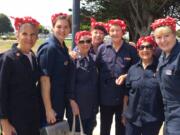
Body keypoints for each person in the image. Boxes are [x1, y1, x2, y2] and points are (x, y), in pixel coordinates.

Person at [96, 19, 139, 135]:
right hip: (105, 97)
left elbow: (137, 69)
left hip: (123, 97)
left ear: (123, 32)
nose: (115, 33)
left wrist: (126, 75)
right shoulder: (102, 49)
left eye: (117, 30)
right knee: (104, 128)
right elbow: (96, 67)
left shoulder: (130, 49)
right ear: (109, 32)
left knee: (121, 129)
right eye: (112, 30)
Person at [0, 16, 40, 135]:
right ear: (17, 35)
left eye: (33, 34)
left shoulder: (32, 56)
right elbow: (1, 91)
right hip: (14, 121)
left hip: (31, 119)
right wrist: (4, 122)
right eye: (25, 34)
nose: (29, 38)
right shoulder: (8, 58)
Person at [124, 36, 164, 135]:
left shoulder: (161, 69)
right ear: (138, 50)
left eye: (148, 47)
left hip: (153, 120)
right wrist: (124, 113)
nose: (145, 50)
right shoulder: (132, 69)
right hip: (132, 119)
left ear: (153, 49)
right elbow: (126, 93)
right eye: (141, 47)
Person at [37, 12, 71, 126]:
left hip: (58, 102)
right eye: (59, 27)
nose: (63, 30)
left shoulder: (62, 47)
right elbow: (44, 80)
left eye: (66, 27)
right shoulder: (49, 48)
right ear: (53, 28)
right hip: (49, 106)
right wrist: (48, 109)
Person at [151, 16, 180, 135]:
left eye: (166, 36)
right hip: (168, 113)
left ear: (174, 35)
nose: (163, 40)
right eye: (158, 37)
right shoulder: (162, 55)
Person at [68, 31, 98, 135]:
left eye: (88, 41)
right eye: (82, 41)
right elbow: (69, 84)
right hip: (78, 106)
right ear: (77, 43)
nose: (85, 44)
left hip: (91, 107)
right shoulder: (73, 60)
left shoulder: (93, 59)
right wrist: (72, 102)